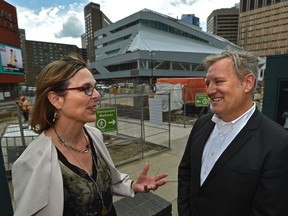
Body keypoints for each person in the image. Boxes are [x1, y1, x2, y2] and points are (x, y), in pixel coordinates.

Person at [12, 53, 168, 216]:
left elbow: (104, 183)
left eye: (94, 87)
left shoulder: (94, 135)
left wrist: (132, 185)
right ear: (56, 99)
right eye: (86, 88)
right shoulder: (32, 162)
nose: (97, 95)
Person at [178, 49, 288, 216]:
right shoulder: (202, 124)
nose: (209, 90)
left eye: (219, 81)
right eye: (208, 83)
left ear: (248, 83)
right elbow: (186, 174)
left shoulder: (278, 143)